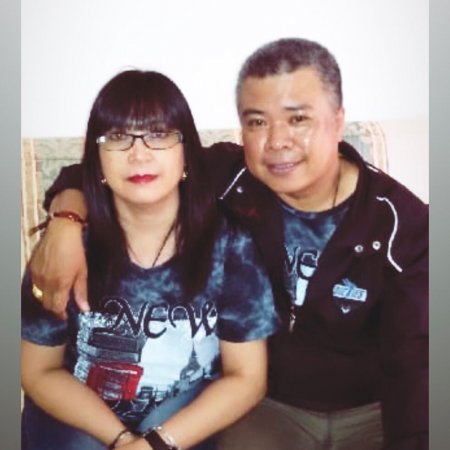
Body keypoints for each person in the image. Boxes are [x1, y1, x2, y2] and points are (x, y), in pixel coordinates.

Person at [28, 38, 428, 449]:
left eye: (298, 119)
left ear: (338, 121)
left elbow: (417, 369)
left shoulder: (405, 229)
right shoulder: (229, 178)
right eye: (257, 122)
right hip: (271, 409)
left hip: (371, 411)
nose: (277, 141)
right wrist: (65, 223)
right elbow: (112, 170)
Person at [21, 69, 281, 450]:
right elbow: (37, 371)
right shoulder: (66, 247)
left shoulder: (230, 246)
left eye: (158, 134)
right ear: (97, 159)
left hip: (182, 419)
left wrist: (154, 444)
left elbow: (247, 378)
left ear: (186, 155)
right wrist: (122, 439)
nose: (138, 153)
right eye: (118, 137)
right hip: (80, 413)